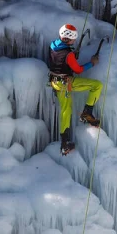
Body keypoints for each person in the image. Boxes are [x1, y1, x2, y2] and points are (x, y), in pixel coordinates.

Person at [48, 24, 103, 155]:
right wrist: (92, 63)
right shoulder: (68, 54)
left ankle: (65, 143)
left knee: (65, 111)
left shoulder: (53, 45)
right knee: (97, 85)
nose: (75, 41)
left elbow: (59, 60)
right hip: (65, 84)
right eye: (73, 39)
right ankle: (86, 113)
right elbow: (77, 69)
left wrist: (72, 55)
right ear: (70, 38)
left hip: (55, 82)